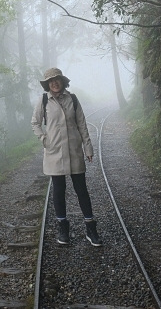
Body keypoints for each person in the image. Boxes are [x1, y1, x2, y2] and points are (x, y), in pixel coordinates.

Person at [30, 67, 103, 246]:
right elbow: (35, 122)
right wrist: (44, 138)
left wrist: (88, 148)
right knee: (58, 191)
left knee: (82, 190)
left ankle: (91, 228)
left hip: (74, 151)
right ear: (47, 84)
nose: (54, 83)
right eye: (50, 81)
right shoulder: (44, 100)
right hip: (54, 152)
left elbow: (82, 124)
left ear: (62, 81)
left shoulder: (73, 99)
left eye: (57, 79)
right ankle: (63, 228)